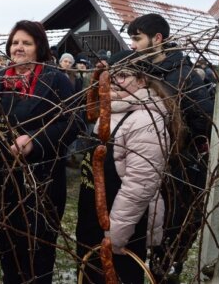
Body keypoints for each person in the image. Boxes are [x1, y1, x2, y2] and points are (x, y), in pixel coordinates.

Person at [0, 20, 83, 284]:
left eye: (26, 43)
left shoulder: (54, 79)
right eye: (15, 42)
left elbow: (74, 121)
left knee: (38, 258)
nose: (18, 48)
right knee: (7, 253)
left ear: (39, 48)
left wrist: (36, 139)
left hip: (38, 184)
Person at [125, 13, 214, 283]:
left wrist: (181, 143)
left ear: (158, 39)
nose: (133, 45)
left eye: (137, 39)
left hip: (179, 171)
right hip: (146, 164)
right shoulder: (144, 70)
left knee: (170, 239)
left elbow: (205, 119)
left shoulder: (183, 76)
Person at [75, 53, 174, 284]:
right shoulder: (112, 109)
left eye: (124, 76)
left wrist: (116, 235)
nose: (115, 82)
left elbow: (139, 186)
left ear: (142, 80)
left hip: (123, 227)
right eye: (112, 76)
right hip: (94, 216)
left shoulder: (147, 120)